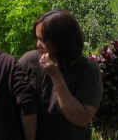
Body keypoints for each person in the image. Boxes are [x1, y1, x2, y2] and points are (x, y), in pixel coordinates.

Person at [18, 9, 102, 140]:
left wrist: (56, 77)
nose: (38, 45)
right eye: (37, 38)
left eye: (43, 40)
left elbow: (81, 119)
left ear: (62, 42)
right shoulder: (30, 62)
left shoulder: (88, 70)